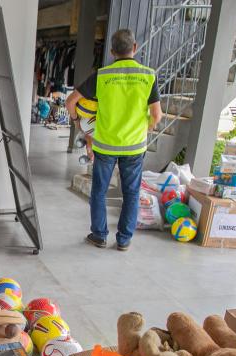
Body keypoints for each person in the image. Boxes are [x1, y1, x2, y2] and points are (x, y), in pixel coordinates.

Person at [66, 29, 162, 251]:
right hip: (134, 147)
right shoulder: (149, 75)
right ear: (135, 48)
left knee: (99, 191)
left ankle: (99, 235)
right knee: (131, 192)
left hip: (105, 145)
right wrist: (143, 129)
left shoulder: (102, 75)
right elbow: (157, 115)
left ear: (111, 51)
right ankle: (124, 239)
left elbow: (71, 102)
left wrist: (78, 124)